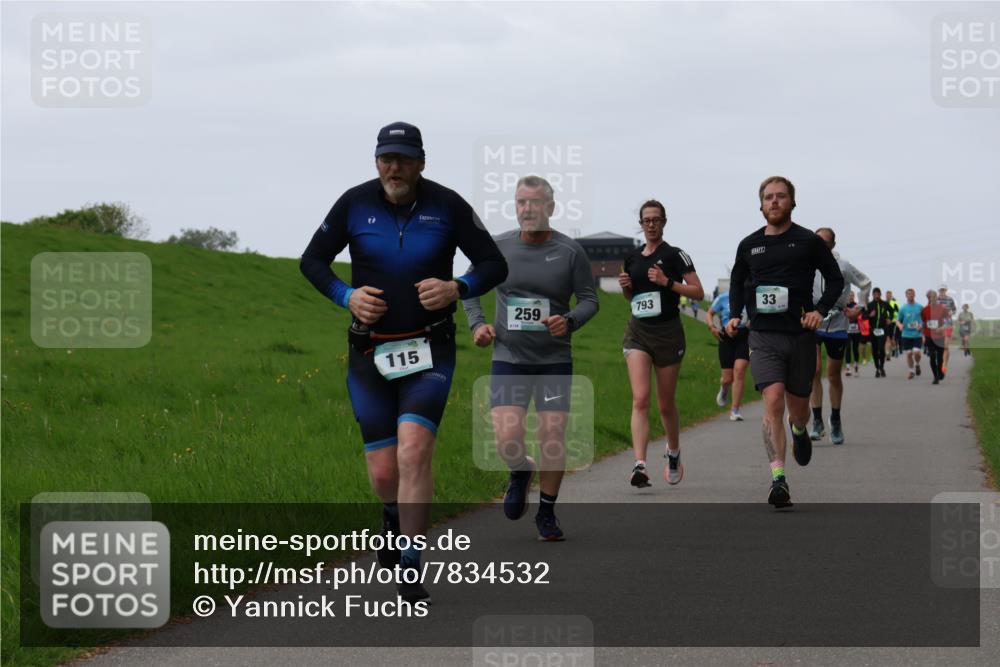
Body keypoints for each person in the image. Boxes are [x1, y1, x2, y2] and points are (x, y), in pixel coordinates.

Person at [300, 122, 507, 603]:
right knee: (382, 473)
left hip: (430, 347)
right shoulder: (353, 203)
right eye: (386, 158)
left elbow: (494, 264)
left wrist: (458, 288)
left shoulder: (448, 205)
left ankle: (412, 565)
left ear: (421, 162)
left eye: (404, 158)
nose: (394, 167)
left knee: (415, 451)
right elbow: (312, 261)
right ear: (376, 161)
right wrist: (346, 295)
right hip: (370, 350)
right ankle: (391, 512)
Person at [463, 176, 599, 541]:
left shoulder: (570, 252)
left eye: (535, 203)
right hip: (509, 358)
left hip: (554, 360)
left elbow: (590, 300)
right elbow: (468, 288)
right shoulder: (498, 247)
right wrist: (478, 326)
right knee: (508, 438)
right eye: (521, 202)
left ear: (550, 208)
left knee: (552, 435)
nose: (527, 209)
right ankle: (521, 470)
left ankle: (547, 513)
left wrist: (569, 321)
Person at [727, 176, 844, 509]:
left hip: (800, 336)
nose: (774, 202)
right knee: (772, 400)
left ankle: (800, 429)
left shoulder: (808, 241)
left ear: (792, 203)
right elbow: (737, 281)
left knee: (798, 410)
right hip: (763, 336)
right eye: (768, 197)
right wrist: (735, 314)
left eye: (780, 197)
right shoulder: (748, 245)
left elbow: (835, 280)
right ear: (760, 205)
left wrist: (819, 311)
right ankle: (778, 479)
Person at [619, 199, 704, 488]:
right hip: (638, 332)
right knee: (640, 399)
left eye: (656, 219)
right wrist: (626, 289)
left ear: (664, 222)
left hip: (668, 334)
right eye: (646, 220)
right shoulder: (631, 258)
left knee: (665, 404)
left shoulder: (676, 255)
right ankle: (639, 464)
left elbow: (697, 292)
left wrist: (667, 282)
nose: (651, 224)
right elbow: (633, 300)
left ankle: (673, 452)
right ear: (640, 224)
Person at [809, 227, 870, 444]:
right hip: (812, 322)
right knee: (813, 370)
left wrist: (860, 308)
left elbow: (865, 282)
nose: (820, 246)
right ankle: (816, 421)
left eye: (825, 242)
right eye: (816, 241)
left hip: (837, 323)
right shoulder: (806, 263)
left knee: (833, 375)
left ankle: (835, 418)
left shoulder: (843, 265)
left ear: (833, 245)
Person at [708, 290, 749, 421]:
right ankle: (724, 388)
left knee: (740, 370)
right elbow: (710, 313)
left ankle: (735, 410)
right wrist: (712, 327)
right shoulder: (723, 297)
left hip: (745, 337)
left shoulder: (751, 296)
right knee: (727, 379)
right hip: (726, 337)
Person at [864, 288, 894, 378]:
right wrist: (870, 315)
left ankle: (882, 367)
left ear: (880, 295)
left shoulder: (885, 304)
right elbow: (863, 316)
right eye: (875, 294)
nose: (877, 296)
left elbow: (892, 311)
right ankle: (877, 368)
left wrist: (890, 318)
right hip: (873, 330)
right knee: (874, 350)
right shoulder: (869, 305)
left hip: (883, 329)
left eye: (878, 294)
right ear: (873, 295)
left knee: (881, 348)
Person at [896, 288, 924, 379]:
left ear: (914, 295)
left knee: (916, 352)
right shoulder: (903, 308)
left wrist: (921, 325)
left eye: (912, 294)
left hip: (917, 334)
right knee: (908, 354)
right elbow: (897, 320)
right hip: (906, 334)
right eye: (908, 294)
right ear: (906, 296)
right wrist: (900, 325)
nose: (910, 296)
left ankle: (917, 364)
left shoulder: (919, 307)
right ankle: (911, 371)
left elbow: (925, 319)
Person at [922, 290, 949, 384]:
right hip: (929, 336)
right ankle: (935, 377)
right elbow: (923, 323)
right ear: (928, 299)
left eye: (934, 297)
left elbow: (948, 321)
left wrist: (942, 328)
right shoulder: (925, 310)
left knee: (940, 358)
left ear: (936, 298)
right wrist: (923, 335)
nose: (932, 299)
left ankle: (940, 372)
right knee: (932, 356)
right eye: (930, 297)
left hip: (940, 336)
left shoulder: (942, 308)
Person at [938, 285, 957, 374]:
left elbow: (954, 310)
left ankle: (944, 364)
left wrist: (951, 312)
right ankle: (940, 361)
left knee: (945, 346)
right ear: (939, 290)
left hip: (948, 325)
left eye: (943, 290)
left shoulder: (950, 300)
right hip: (937, 326)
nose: (942, 291)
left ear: (946, 290)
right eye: (941, 290)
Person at [844, 291, 861, 376]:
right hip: (847, 330)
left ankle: (856, 365)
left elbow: (860, 315)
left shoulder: (857, 306)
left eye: (852, 295)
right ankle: (847, 368)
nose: (851, 297)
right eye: (850, 295)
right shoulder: (845, 306)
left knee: (855, 348)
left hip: (856, 330)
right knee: (847, 348)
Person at [886, 290, 901, 358]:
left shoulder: (895, 303)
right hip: (886, 323)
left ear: (891, 296)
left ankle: (895, 349)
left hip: (894, 322)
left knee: (893, 338)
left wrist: (894, 317)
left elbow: (899, 312)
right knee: (887, 338)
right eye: (887, 295)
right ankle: (889, 352)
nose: (888, 296)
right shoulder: (884, 303)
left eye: (889, 295)